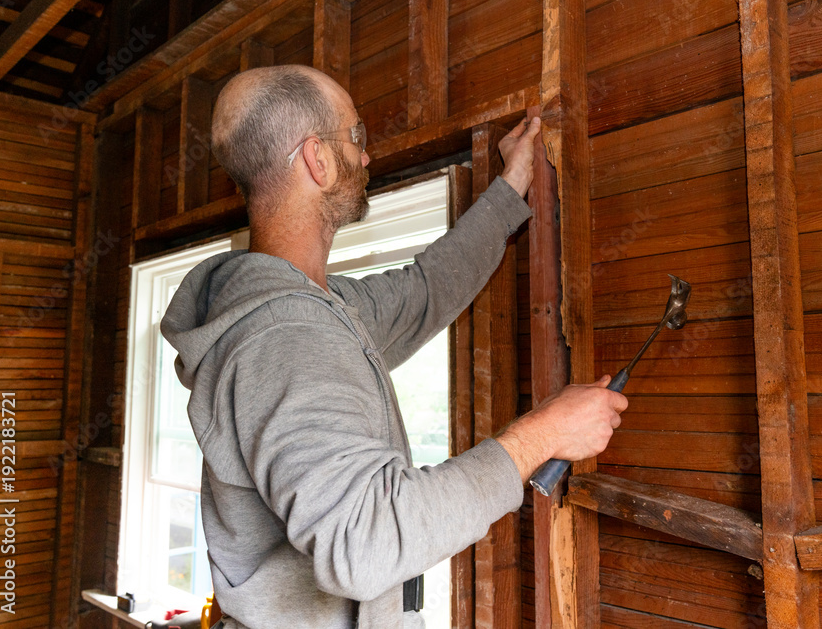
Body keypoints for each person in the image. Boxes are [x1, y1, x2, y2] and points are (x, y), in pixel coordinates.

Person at [161, 65, 627, 629]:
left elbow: (425, 291)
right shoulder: (286, 336)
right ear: (317, 159)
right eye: (355, 135)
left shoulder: (316, 307)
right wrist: (545, 434)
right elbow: (365, 541)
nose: (365, 155)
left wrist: (511, 187)